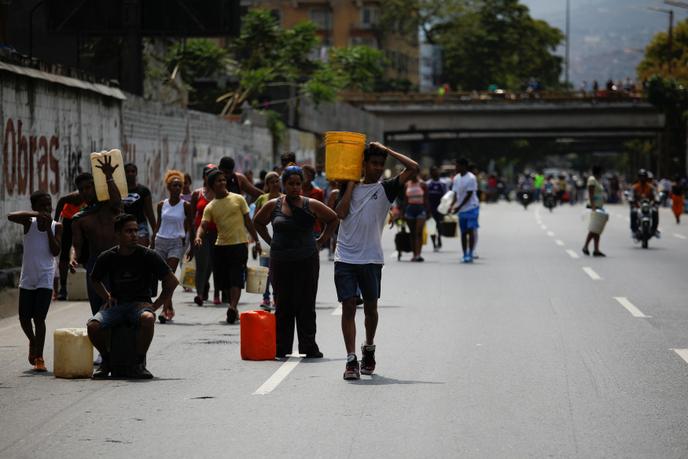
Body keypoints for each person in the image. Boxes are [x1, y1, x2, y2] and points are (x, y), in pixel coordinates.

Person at [335, 142, 419, 380]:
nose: (378, 168)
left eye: (382, 165)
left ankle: (368, 348)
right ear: (363, 164)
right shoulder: (345, 186)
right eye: (374, 163)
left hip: (371, 259)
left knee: (371, 309)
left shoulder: (386, 189)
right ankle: (351, 359)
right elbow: (340, 214)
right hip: (346, 257)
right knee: (349, 304)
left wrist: (388, 150)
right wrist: (351, 184)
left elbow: (413, 167)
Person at [253, 165, 338, 358]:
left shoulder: (311, 204)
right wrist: (270, 241)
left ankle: (308, 346)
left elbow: (333, 219)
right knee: (283, 304)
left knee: (306, 303)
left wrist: (321, 241)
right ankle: (281, 346)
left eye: (298, 184)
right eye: (290, 184)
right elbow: (257, 222)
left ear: (302, 185)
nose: (294, 187)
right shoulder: (273, 205)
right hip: (281, 262)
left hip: (306, 260)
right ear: (284, 184)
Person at [87, 214, 179, 379]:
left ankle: (138, 362)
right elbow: (94, 279)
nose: (134, 235)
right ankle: (106, 360)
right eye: (129, 231)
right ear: (117, 234)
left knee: (148, 318)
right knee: (93, 326)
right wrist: (107, 296)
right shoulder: (108, 256)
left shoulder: (148, 255)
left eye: (136, 231)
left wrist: (156, 305)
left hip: (140, 305)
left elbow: (172, 281)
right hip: (117, 306)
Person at [195, 169, 262, 324]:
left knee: (236, 278)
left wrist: (257, 241)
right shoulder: (211, 206)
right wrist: (198, 236)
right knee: (223, 281)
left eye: (224, 180)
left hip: (239, 245)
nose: (223, 183)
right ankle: (232, 305)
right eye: (219, 181)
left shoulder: (238, 199)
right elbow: (203, 225)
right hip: (220, 247)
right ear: (211, 185)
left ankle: (232, 306)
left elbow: (248, 221)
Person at [7, 191, 63, 372]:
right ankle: (33, 340)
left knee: (39, 318)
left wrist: (48, 229)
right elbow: (10, 216)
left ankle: (39, 356)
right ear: (35, 208)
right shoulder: (28, 223)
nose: (47, 209)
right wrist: (36, 216)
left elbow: (55, 251)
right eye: (43, 206)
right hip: (28, 276)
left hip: (45, 277)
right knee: (24, 317)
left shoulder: (56, 226)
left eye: (49, 205)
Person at [71, 159, 122, 317]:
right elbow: (77, 245)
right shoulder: (79, 218)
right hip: (95, 264)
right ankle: (103, 340)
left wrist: (108, 175)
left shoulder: (110, 207)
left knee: (119, 305)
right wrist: (73, 258)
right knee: (98, 310)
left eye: (88, 187)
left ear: (96, 187)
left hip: (117, 260)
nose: (85, 192)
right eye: (81, 190)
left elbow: (117, 201)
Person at [152, 170, 193, 323]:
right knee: (163, 277)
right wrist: (152, 242)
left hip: (177, 242)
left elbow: (191, 226)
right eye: (174, 185)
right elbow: (158, 225)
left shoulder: (186, 205)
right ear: (168, 187)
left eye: (179, 185)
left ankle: (163, 309)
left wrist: (193, 247)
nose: (177, 188)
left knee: (169, 275)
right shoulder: (162, 205)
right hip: (160, 242)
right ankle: (169, 307)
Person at [188, 165, 220, 306]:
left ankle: (213, 290)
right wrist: (192, 238)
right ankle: (199, 294)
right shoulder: (197, 194)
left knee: (214, 265)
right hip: (201, 233)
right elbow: (191, 217)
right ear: (204, 177)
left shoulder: (221, 194)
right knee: (201, 264)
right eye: (208, 174)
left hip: (218, 233)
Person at [253, 171, 282, 309]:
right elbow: (255, 220)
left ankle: (277, 298)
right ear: (267, 184)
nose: (275, 184)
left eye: (277, 181)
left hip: (280, 240)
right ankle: (266, 298)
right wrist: (256, 241)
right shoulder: (262, 199)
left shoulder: (284, 198)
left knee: (277, 272)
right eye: (272, 182)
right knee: (265, 271)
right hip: (265, 240)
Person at [53, 189, 85, 300]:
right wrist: (55, 221)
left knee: (82, 247)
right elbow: (61, 200)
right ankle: (63, 288)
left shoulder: (95, 195)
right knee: (65, 252)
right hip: (68, 219)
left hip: (81, 219)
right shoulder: (76, 196)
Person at [451, 158, 480, 263]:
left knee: (470, 230)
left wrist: (458, 206)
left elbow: (469, 194)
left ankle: (471, 252)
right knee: (463, 232)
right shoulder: (456, 178)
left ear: (464, 166)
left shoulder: (471, 178)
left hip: (472, 207)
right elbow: (455, 193)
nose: (456, 168)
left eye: (457, 166)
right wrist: (452, 205)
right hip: (461, 209)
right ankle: (464, 254)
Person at [122, 163, 156, 247]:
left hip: (140, 226)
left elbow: (150, 213)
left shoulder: (144, 191)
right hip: (123, 226)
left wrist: (155, 233)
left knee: (140, 253)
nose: (130, 173)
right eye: (127, 171)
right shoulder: (119, 191)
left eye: (133, 171)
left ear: (136, 173)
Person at [403, 170, 430, 261]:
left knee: (418, 232)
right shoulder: (407, 184)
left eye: (414, 173)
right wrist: (403, 212)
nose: (412, 175)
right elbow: (405, 200)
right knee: (412, 233)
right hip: (410, 209)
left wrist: (428, 211)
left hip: (420, 208)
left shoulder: (423, 184)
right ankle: (414, 254)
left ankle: (418, 254)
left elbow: (426, 199)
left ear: (417, 174)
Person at [582, 165, 606, 257]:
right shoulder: (592, 180)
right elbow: (591, 194)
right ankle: (585, 246)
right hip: (594, 206)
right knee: (593, 229)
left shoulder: (596, 180)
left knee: (597, 229)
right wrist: (593, 208)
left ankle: (596, 249)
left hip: (598, 206)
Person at [630, 169, 659, 240]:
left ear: (646, 177)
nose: (642, 178)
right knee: (633, 212)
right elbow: (630, 196)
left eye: (644, 176)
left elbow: (656, 195)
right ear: (638, 177)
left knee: (655, 211)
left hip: (649, 206)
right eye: (641, 176)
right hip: (638, 206)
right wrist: (631, 201)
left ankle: (654, 229)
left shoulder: (651, 187)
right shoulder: (635, 187)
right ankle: (635, 230)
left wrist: (657, 200)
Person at [301, 165, 325, 237]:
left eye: (308, 174)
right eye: (304, 174)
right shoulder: (295, 191)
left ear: (312, 178)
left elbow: (321, 212)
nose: (306, 176)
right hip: (298, 229)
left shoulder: (318, 192)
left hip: (314, 229)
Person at [426, 167, 447, 252]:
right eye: (433, 172)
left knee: (439, 225)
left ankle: (439, 238)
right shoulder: (427, 184)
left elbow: (446, 197)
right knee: (431, 227)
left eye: (436, 172)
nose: (435, 174)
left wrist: (446, 208)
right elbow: (425, 197)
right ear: (431, 174)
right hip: (430, 209)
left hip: (440, 208)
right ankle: (434, 243)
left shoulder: (443, 184)